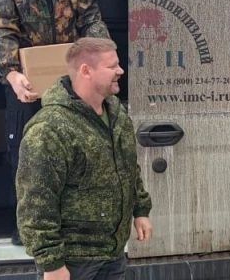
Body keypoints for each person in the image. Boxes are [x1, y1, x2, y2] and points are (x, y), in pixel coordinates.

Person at [0, 0, 109, 244]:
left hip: (72, 82)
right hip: (27, 83)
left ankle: (75, 224)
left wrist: (103, 59)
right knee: (28, 155)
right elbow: (1, 30)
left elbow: (91, 19)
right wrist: (11, 73)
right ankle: (30, 229)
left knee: (78, 150)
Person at [16, 37, 152, 280]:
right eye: (112, 66)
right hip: (74, 261)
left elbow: (128, 167)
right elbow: (36, 202)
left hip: (112, 254)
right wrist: (51, 264)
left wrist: (141, 210)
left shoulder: (116, 115)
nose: (120, 71)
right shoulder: (50, 128)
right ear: (86, 71)